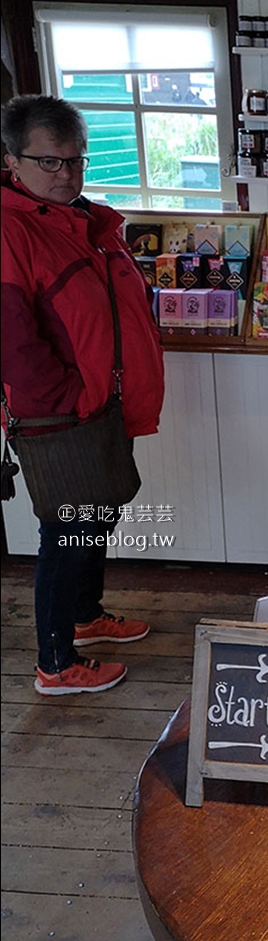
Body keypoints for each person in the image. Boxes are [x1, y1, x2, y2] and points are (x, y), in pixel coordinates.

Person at [1, 95, 164, 696]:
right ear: (13, 160)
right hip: (60, 413)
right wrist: (71, 397)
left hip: (99, 405)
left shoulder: (87, 220)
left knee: (95, 518)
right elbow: (13, 342)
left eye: (76, 160)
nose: (66, 173)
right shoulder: (11, 229)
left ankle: (85, 615)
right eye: (49, 162)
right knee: (66, 532)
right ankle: (55, 662)